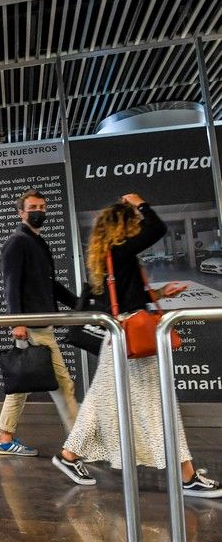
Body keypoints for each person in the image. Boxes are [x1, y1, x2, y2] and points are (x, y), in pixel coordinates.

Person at [53, 193, 222, 498]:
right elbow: (157, 229)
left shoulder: (108, 255)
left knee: (101, 402)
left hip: (119, 339)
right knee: (157, 404)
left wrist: (160, 294)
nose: (137, 227)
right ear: (124, 225)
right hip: (128, 341)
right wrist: (140, 203)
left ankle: (68, 456)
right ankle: (187, 476)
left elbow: (122, 300)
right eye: (133, 222)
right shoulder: (118, 250)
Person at [0, 189, 79, 456]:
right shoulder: (17, 242)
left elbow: (49, 285)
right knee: (63, 385)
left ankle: (4, 439)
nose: (38, 211)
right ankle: (79, 444)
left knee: (21, 385)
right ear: (21, 213)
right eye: (32, 207)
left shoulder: (38, 243)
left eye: (42, 206)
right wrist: (17, 322)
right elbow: (11, 286)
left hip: (42, 324)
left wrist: (80, 305)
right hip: (32, 327)